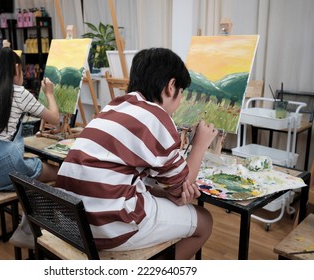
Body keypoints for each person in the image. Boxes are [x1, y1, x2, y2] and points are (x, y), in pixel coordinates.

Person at [55, 48, 218, 259]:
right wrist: (199, 145)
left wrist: (169, 189)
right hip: (107, 226)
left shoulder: (114, 106)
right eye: (182, 93)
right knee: (205, 221)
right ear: (171, 86)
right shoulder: (156, 117)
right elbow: (181, 193)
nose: (180, 102)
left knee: (157, 195)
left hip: (71, 219)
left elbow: (145, 177)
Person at [0, 47, 60, 249]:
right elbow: (55, 120)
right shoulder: (19, 92)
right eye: (22, 70)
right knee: (60, 173)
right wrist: (49, 93)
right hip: (0, 172)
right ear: (16, 68)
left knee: (32, 167)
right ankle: (29, 229)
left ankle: (27, 224)